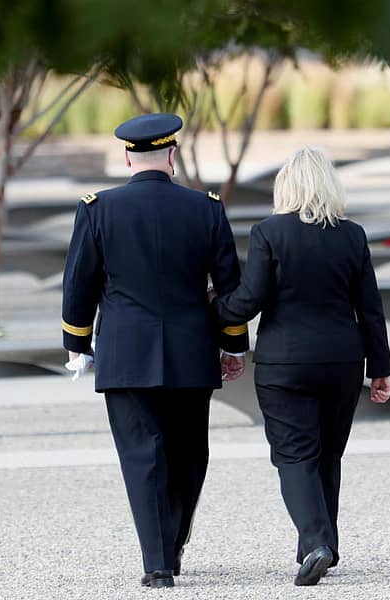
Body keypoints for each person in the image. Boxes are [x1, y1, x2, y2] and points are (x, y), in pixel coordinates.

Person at [61, 113, 249, 589]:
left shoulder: (97, 208)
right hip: (190, 349)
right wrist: (233, 346)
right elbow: (229, 287)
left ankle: (157, 562)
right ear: (172, 154)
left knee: (142, 456)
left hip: (124, 352)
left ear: (126, 157)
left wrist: (77, 344)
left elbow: (79, 283)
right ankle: (174, 540)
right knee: (189, 455)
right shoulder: (205, 208)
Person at [210, 146, 390, 587]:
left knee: (294, 455)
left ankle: (315, 543)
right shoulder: (352, 235)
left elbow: (250, 301)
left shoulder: (270, 232)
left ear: (285, 187)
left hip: (285, 364)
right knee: (329, 454)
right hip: (343, 361)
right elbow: (370, 308)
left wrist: (212, 308)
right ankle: (323, 544)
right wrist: (380, 368)